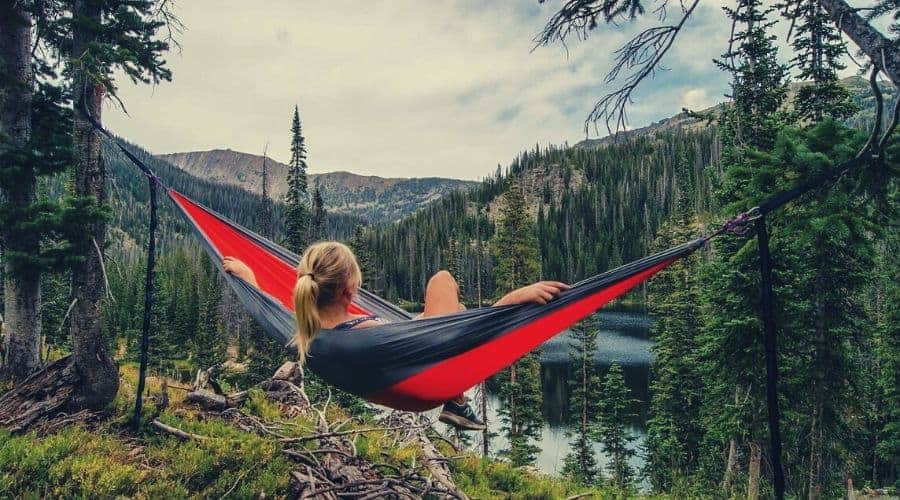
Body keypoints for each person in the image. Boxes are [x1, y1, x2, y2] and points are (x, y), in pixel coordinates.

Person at [223, 241, 569, 431]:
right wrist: (511, 302)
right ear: (350, 288)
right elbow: (457, 340)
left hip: (394, 370)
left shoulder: (303, 332)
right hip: (423, 386)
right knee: (442, 280)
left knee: (455, 308)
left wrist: (248, 278)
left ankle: (458, 400)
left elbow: (267, 309)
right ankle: (457, 401)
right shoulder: (366, 336)